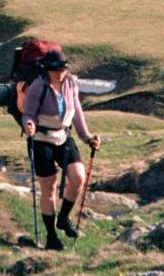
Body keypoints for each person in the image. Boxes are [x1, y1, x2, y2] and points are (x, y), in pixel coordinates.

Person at [20, 50, 102, 250]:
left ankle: (63, 218)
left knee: (79, 178)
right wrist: (28, 125)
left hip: (63, 136)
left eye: (63, 69)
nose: (60, 74)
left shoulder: (71, 83)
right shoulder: (38, 86)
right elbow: (28, 114)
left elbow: (77, 111)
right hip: (41, 139)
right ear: (47, 70)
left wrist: (87, 137)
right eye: (56, 70)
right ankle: (51, 237)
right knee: (48, 188)